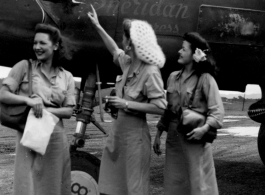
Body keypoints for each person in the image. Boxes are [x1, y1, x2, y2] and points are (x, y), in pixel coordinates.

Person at [87, 5, 167, 195]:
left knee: (133, 188)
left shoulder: (150, 71)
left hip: (135, 139)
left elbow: (161, 107)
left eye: (123, 37)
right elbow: (113, 50)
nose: (121, 41)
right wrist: (97, 25)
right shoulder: (128, 62)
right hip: (118, 136)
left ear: (130, 44)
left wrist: (126, 104)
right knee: (112, 187)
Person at [0, 23, 76, 195]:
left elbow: (68, 111)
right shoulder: (24, 66)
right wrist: (28, 101)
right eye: (35, 43)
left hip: (56, 137)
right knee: (27, 184)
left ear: (55, 46)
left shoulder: (67, 76)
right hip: (30, 134)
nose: (37, 47)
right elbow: (3, 94)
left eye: (42, 43)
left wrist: (45, 110)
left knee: (54, 185)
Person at [153, 32, 224, 195]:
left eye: (184, 49)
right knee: (174, 184)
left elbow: (217, 113)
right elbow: (169, 110)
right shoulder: (172, 78)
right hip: (174, 141)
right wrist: (158, 133)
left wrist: (203, 130)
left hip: (194, 140)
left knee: (198, 185)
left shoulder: (206, 79)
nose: (179, 51)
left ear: (194, 54)